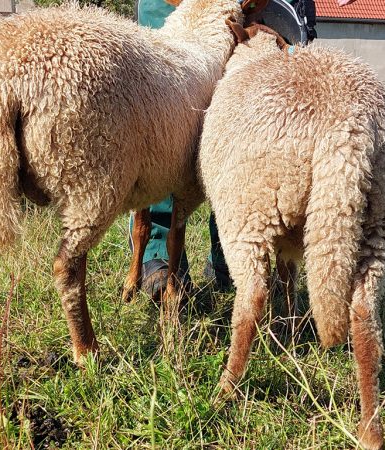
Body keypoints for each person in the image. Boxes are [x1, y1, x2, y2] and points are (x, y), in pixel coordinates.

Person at [132, 0, 357, 297]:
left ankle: (236, 253)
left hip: (262, 7)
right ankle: (160, 256)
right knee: (167, 115)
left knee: (252, 123)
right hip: (175, 7)